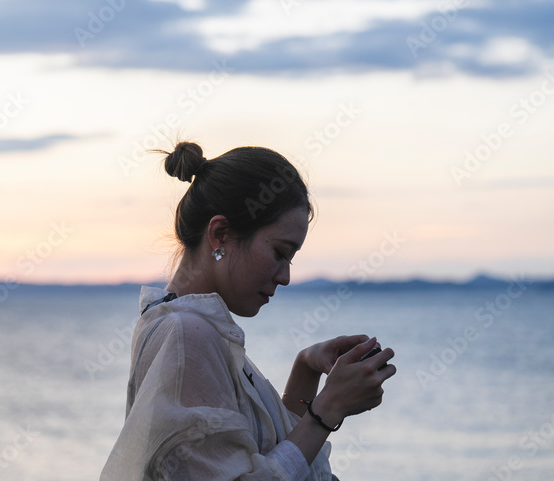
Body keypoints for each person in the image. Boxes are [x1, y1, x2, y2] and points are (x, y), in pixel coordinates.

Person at [100, 142, 397, 480]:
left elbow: (269, 458)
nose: (285, 277)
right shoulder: (187, 335)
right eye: (279, 253)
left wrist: (305, 370)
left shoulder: (186, 325)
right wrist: (328, 408)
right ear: (220, 234)